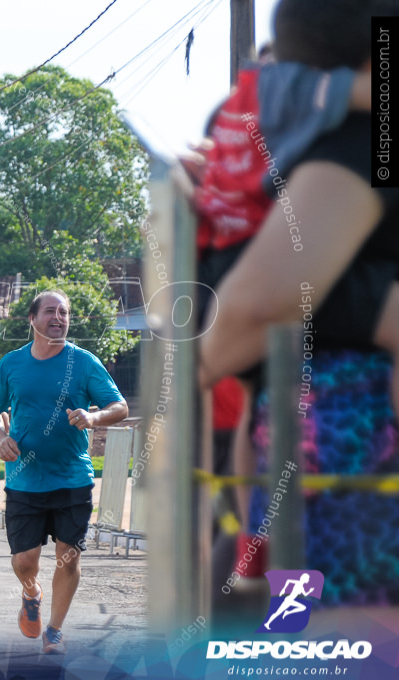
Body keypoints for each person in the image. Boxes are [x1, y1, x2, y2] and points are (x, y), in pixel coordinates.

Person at [200, 0, 399, 607]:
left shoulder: (276, 97)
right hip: (338, 445)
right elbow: (252, 310)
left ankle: (251, 562)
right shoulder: (357, 135)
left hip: (310, 440)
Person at [0, 290, 127, 655]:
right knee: (24, 561)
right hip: (23, 479)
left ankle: (55, 630)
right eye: (50, 311)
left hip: (72, 477)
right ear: (32, 319)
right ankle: (31, 593)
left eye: (64, 313)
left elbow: (119, 406)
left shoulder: (83, 362)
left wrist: (93, 417)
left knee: (69, 556)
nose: (59, 318)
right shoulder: (11, 364)